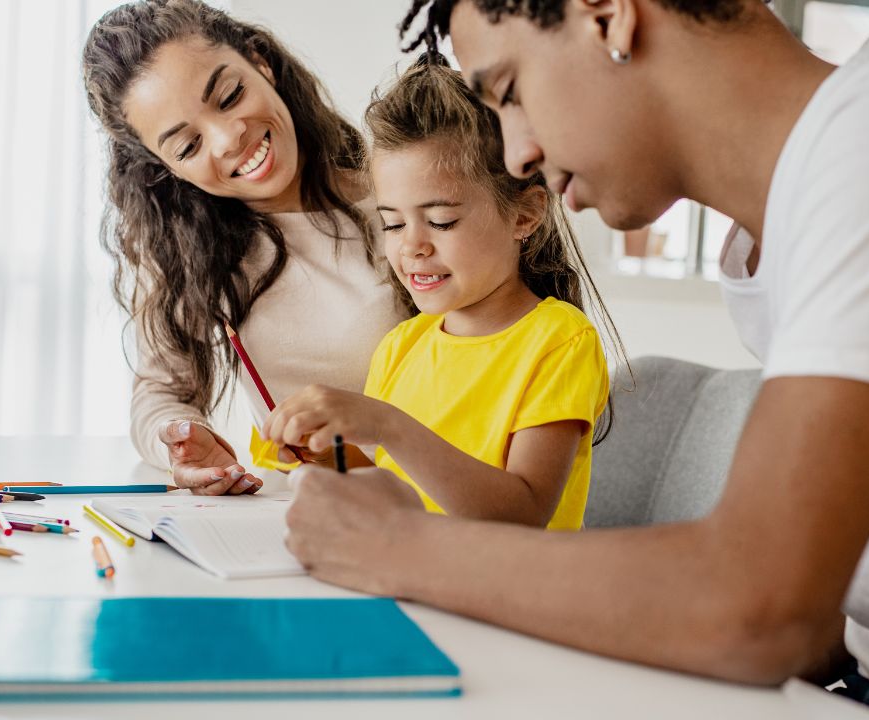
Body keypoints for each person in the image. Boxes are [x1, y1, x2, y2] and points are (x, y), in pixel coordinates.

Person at [281, 1, 869, 718]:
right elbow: (832, 600)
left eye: (511, 90)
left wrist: (395, 548)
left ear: (608, 16)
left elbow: (762, 605)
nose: (518, 151)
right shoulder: (770, 233)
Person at [261, 58, 613, 528]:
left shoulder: (560, 342)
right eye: (392, 223)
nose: (411, 245)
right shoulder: (402, 345)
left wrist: (388, 424)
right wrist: (320, 454)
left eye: (442, 221)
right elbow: (398, 494)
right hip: (415, 579)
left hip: (507, 596)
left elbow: (522, 516)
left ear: (524, 216)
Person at [81, 0, 406, 494]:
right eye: (188, 147)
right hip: (317, 515)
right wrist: (182, 442)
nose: (228, 139)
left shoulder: (402, 201)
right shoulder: (189, 252)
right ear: (166, 169)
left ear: (260, 63)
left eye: (229, 96)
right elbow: (162, 392)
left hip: (441, 506)